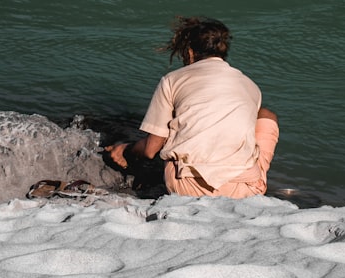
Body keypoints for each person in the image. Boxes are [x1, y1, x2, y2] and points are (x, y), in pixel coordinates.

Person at [105, 16, 279, 198]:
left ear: (189, 52)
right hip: (246, 189)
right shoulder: (250, 86)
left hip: (189, 187)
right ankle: (254, 178)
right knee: (266, 114)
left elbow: (150, 150)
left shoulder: (172, 80)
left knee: (173, 130)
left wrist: (125, 149)